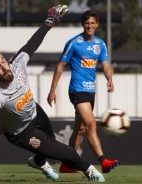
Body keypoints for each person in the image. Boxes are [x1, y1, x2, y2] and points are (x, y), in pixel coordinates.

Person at [0, 5, 105, 182]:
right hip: (21, 132)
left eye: (3, 60)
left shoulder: (17, 63)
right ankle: (88, 169)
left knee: (47, 146)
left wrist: (50, 21)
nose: (4, 66)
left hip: (36, 113)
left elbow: (33, 42)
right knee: (63, 152)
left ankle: (38, 161)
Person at [47, 10, 118, 173]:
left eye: (93, 23)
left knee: (80, 130)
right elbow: (60, 66)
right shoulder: (74, 43)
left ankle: (66, 164)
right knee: (91, 124)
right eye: (87, 23)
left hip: (90, 91)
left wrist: (110, 80)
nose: (90, 26)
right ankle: (103, 161)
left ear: (97, 25)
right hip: (77, 90)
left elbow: (106, 65)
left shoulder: (100, 44)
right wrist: (52, 90)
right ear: (82, 24)